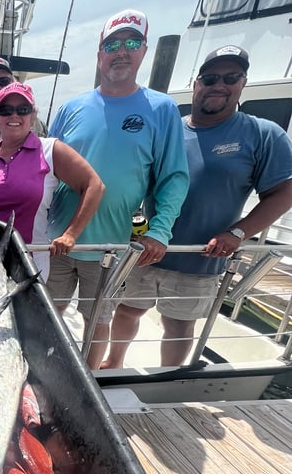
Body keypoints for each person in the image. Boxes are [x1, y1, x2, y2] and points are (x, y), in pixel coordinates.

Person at [103, 45, 292, 368]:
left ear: (243, 82)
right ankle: (113, 363)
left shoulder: (262, 134)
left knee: (178, 324)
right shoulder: (168, 126)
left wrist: (238, 232)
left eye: (231, 77)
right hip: (147, 246)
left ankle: (168, 376)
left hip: (201, 255)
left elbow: (283, 191)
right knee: (127, 309)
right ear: (196, 84)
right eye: (210, 78)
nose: (219, 84)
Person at [46, 8, 189, 369]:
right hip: (57, 240)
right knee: (49, 313)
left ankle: (89, 386)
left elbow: (173, 176)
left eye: (131, 42)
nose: (121, 51)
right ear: (99, 54)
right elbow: (46, 169)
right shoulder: (70, 108)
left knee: (98, 323)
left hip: (110, 246)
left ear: (144, 51)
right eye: (112, 44)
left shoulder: (162, 108)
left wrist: (160, 229)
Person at [0, 82, 104, 279]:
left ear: (33, 115)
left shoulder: (51, 150)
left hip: (30, 264)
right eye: (6, 110)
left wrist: (70, 234)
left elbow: (94, 186)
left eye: (23, 110)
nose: (14, 115)